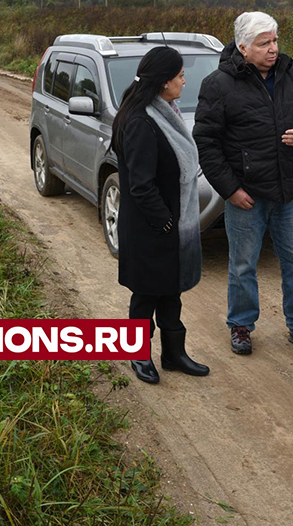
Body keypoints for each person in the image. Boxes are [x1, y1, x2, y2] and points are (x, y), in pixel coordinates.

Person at [193, 11, 293, 356]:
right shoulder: (218, 85)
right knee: (243, 264)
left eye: (275, 40)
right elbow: (206, 144)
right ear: (243, 47)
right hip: (246, 196)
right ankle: (241, 325)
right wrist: (231, 190)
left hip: (289, 191)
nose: (273, 49)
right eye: (264, 43)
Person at [111, 46, 209, 384]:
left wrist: (173, 223)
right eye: (180, 75)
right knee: (145, 295)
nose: (185, 80)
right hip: (149, 227)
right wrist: (165, 221)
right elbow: (140, 185)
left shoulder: (165, 111)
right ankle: (139, 356)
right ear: (164, 82)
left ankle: (173, 354)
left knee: (170, 291)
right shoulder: (140, 121)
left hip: (169, 225)